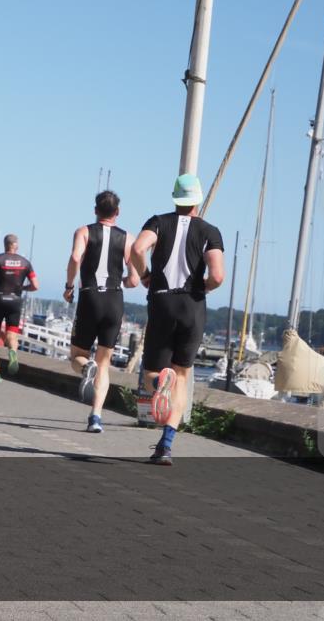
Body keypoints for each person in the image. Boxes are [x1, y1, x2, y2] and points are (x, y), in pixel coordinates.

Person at [129, 174, 225, 465]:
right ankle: (166, 445)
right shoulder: (210, 231)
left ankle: (160, 387)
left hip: (162, 300)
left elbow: (136, 248)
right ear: (197, 199)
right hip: (192, 306)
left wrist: (145, 275)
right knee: (182, 375)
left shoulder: (158, 222)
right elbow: (218, 276)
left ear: (175, 198)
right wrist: (204, 286)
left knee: (150, 373)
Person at [64, 191, 140, 433]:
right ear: (117, 212)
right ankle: (96, 417)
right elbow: (135, 280)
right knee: (104, 363)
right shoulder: (128, 238)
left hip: (90, 296)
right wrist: (125, 281)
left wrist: (68, 285)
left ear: (95, 210)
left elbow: (76, 257)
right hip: (114, 300)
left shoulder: (84, 232)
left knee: (77, 355)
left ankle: (86, 368)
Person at [0, 234, 39, 383]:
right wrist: (23, 287)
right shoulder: (25, 262)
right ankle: (13, 351)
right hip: (15, 299)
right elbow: (35, 285)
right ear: (16, 245)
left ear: (5, 244)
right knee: (12, 335)